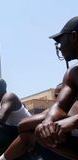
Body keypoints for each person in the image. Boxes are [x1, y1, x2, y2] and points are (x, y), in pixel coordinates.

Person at [34, 16, 78, 160]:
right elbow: (59, 106)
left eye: (60, 40)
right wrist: (48, 123)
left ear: (73, 36)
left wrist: (71, 122)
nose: (59, 46)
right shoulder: (72, 74)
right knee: (41, 133)